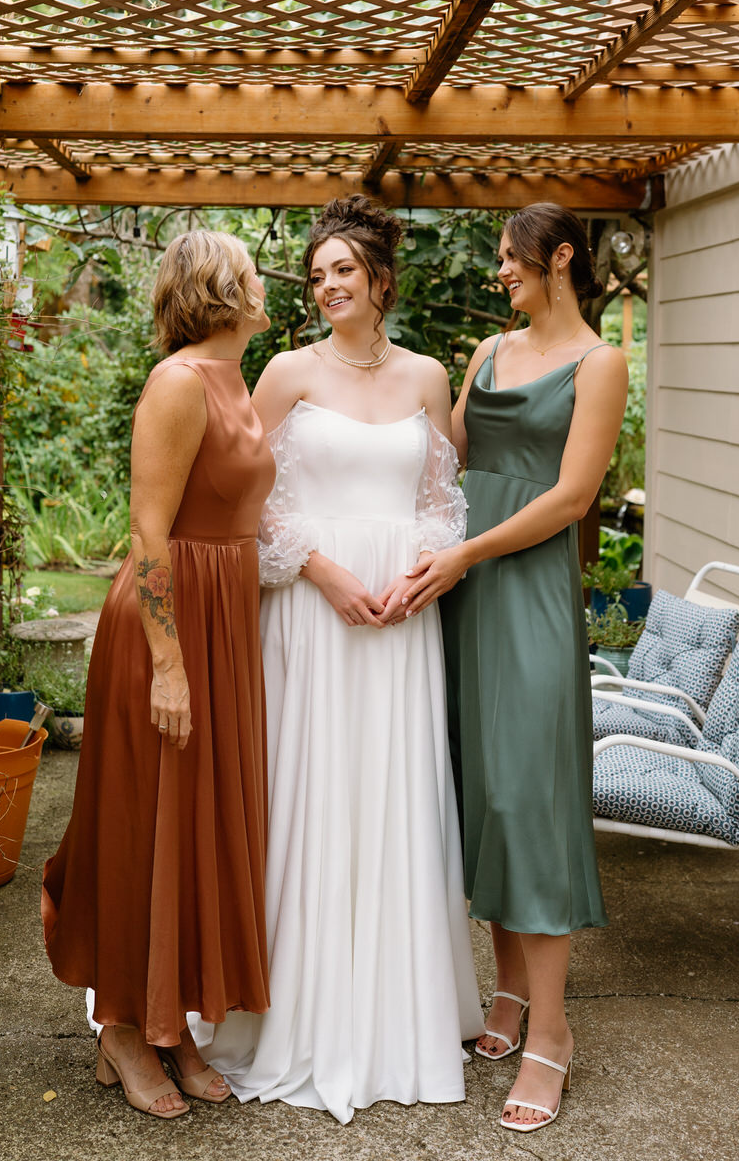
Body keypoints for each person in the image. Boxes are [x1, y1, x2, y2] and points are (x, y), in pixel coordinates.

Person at [196, 195, 484, 1124]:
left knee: (394, 795)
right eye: (317, 275)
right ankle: (299, 1013)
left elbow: (444, 499)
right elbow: (250, 499)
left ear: (380, 280)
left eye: (343, 272)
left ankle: (400, 1016)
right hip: (314, 622)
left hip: (401, 622)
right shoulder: (282, 371)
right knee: (312, 794)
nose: (327, 287)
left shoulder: (430, 377)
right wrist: (320, 571)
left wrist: (425, 572)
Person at [401, 202, 628, 1135]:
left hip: (525, 592)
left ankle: (555, 1031)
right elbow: (449, 458)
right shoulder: (488, 355)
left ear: (560, 258)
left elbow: (573, 495)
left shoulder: (601, 363)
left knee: (530, 801)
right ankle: (505, 993)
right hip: (464, 592)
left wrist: (466, 554)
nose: (500, 271)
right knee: (482, 794)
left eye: (510, 258)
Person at [42, 230, 274, 1119]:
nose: (264, 285)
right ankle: (123, 1030)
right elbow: (150, 528)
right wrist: (169, 665)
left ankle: (169, 1025)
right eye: (251, 275)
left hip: (222, 625)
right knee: (145, 826)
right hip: (166, 628)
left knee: (196, 827)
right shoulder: (178, 383)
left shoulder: (237, 378)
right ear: (221, 290)